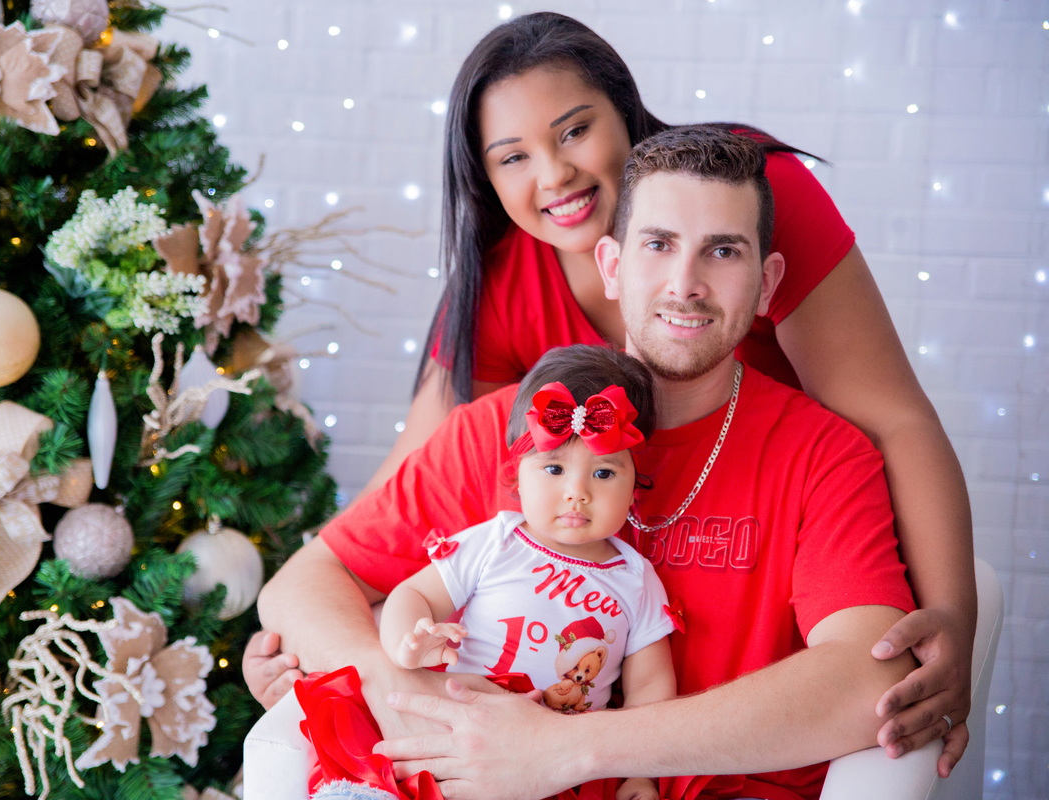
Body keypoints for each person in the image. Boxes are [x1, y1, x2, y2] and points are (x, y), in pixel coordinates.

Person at [252, 11, 974, 769]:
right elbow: (382, 522)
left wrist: (956, 616)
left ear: (765, 277)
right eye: (513, 157)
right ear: (613, 263)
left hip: (769, 544)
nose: (555, 175)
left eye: (572, 132)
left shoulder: (754, 203)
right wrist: (343, 666)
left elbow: (894, 421)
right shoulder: (504, 361)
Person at [265, 346, 677, 800]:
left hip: (554, 770)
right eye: (555, 468)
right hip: (454, 737)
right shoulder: (495, 542)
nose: (576, 493)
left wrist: (640, 775)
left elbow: (651, 686)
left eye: (603, 473)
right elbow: (413, 594)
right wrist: (409, 643)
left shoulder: (636, 578)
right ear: (516, 477)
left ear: (635, 486)